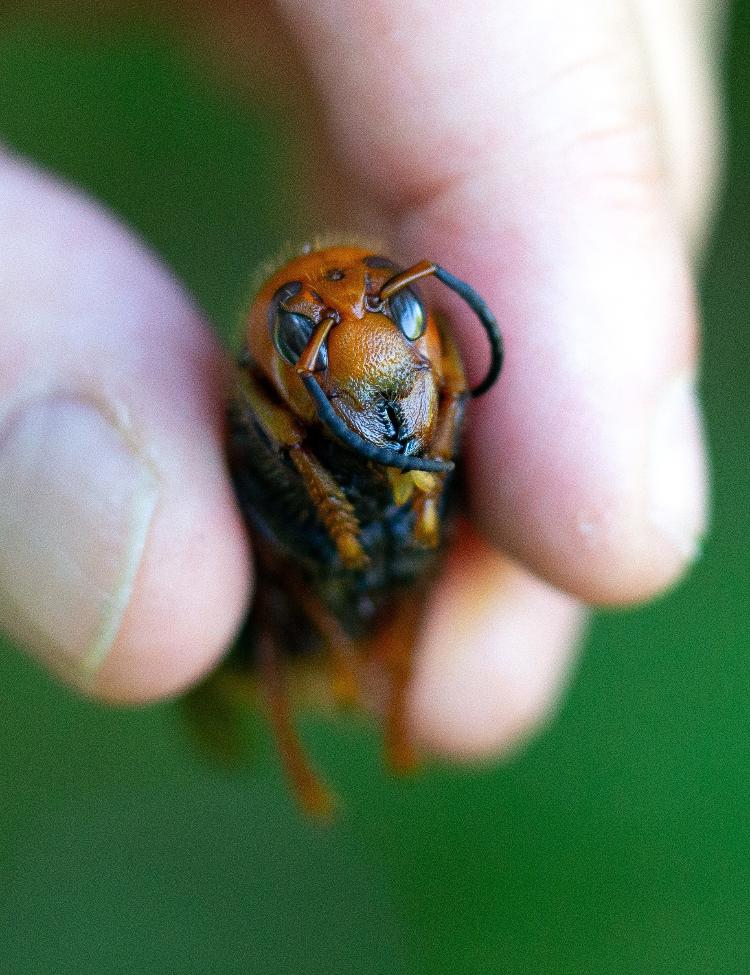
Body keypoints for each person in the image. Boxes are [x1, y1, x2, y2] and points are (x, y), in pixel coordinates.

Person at [0, 1, 724, 758]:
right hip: (293, 603)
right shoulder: (273, 418)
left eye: (398, 311)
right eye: (307, 331)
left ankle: (392, 695)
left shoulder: (427, 376)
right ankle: (306, 710)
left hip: (386, 582)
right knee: (242, 601)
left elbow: (440, 388)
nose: (363, 340)